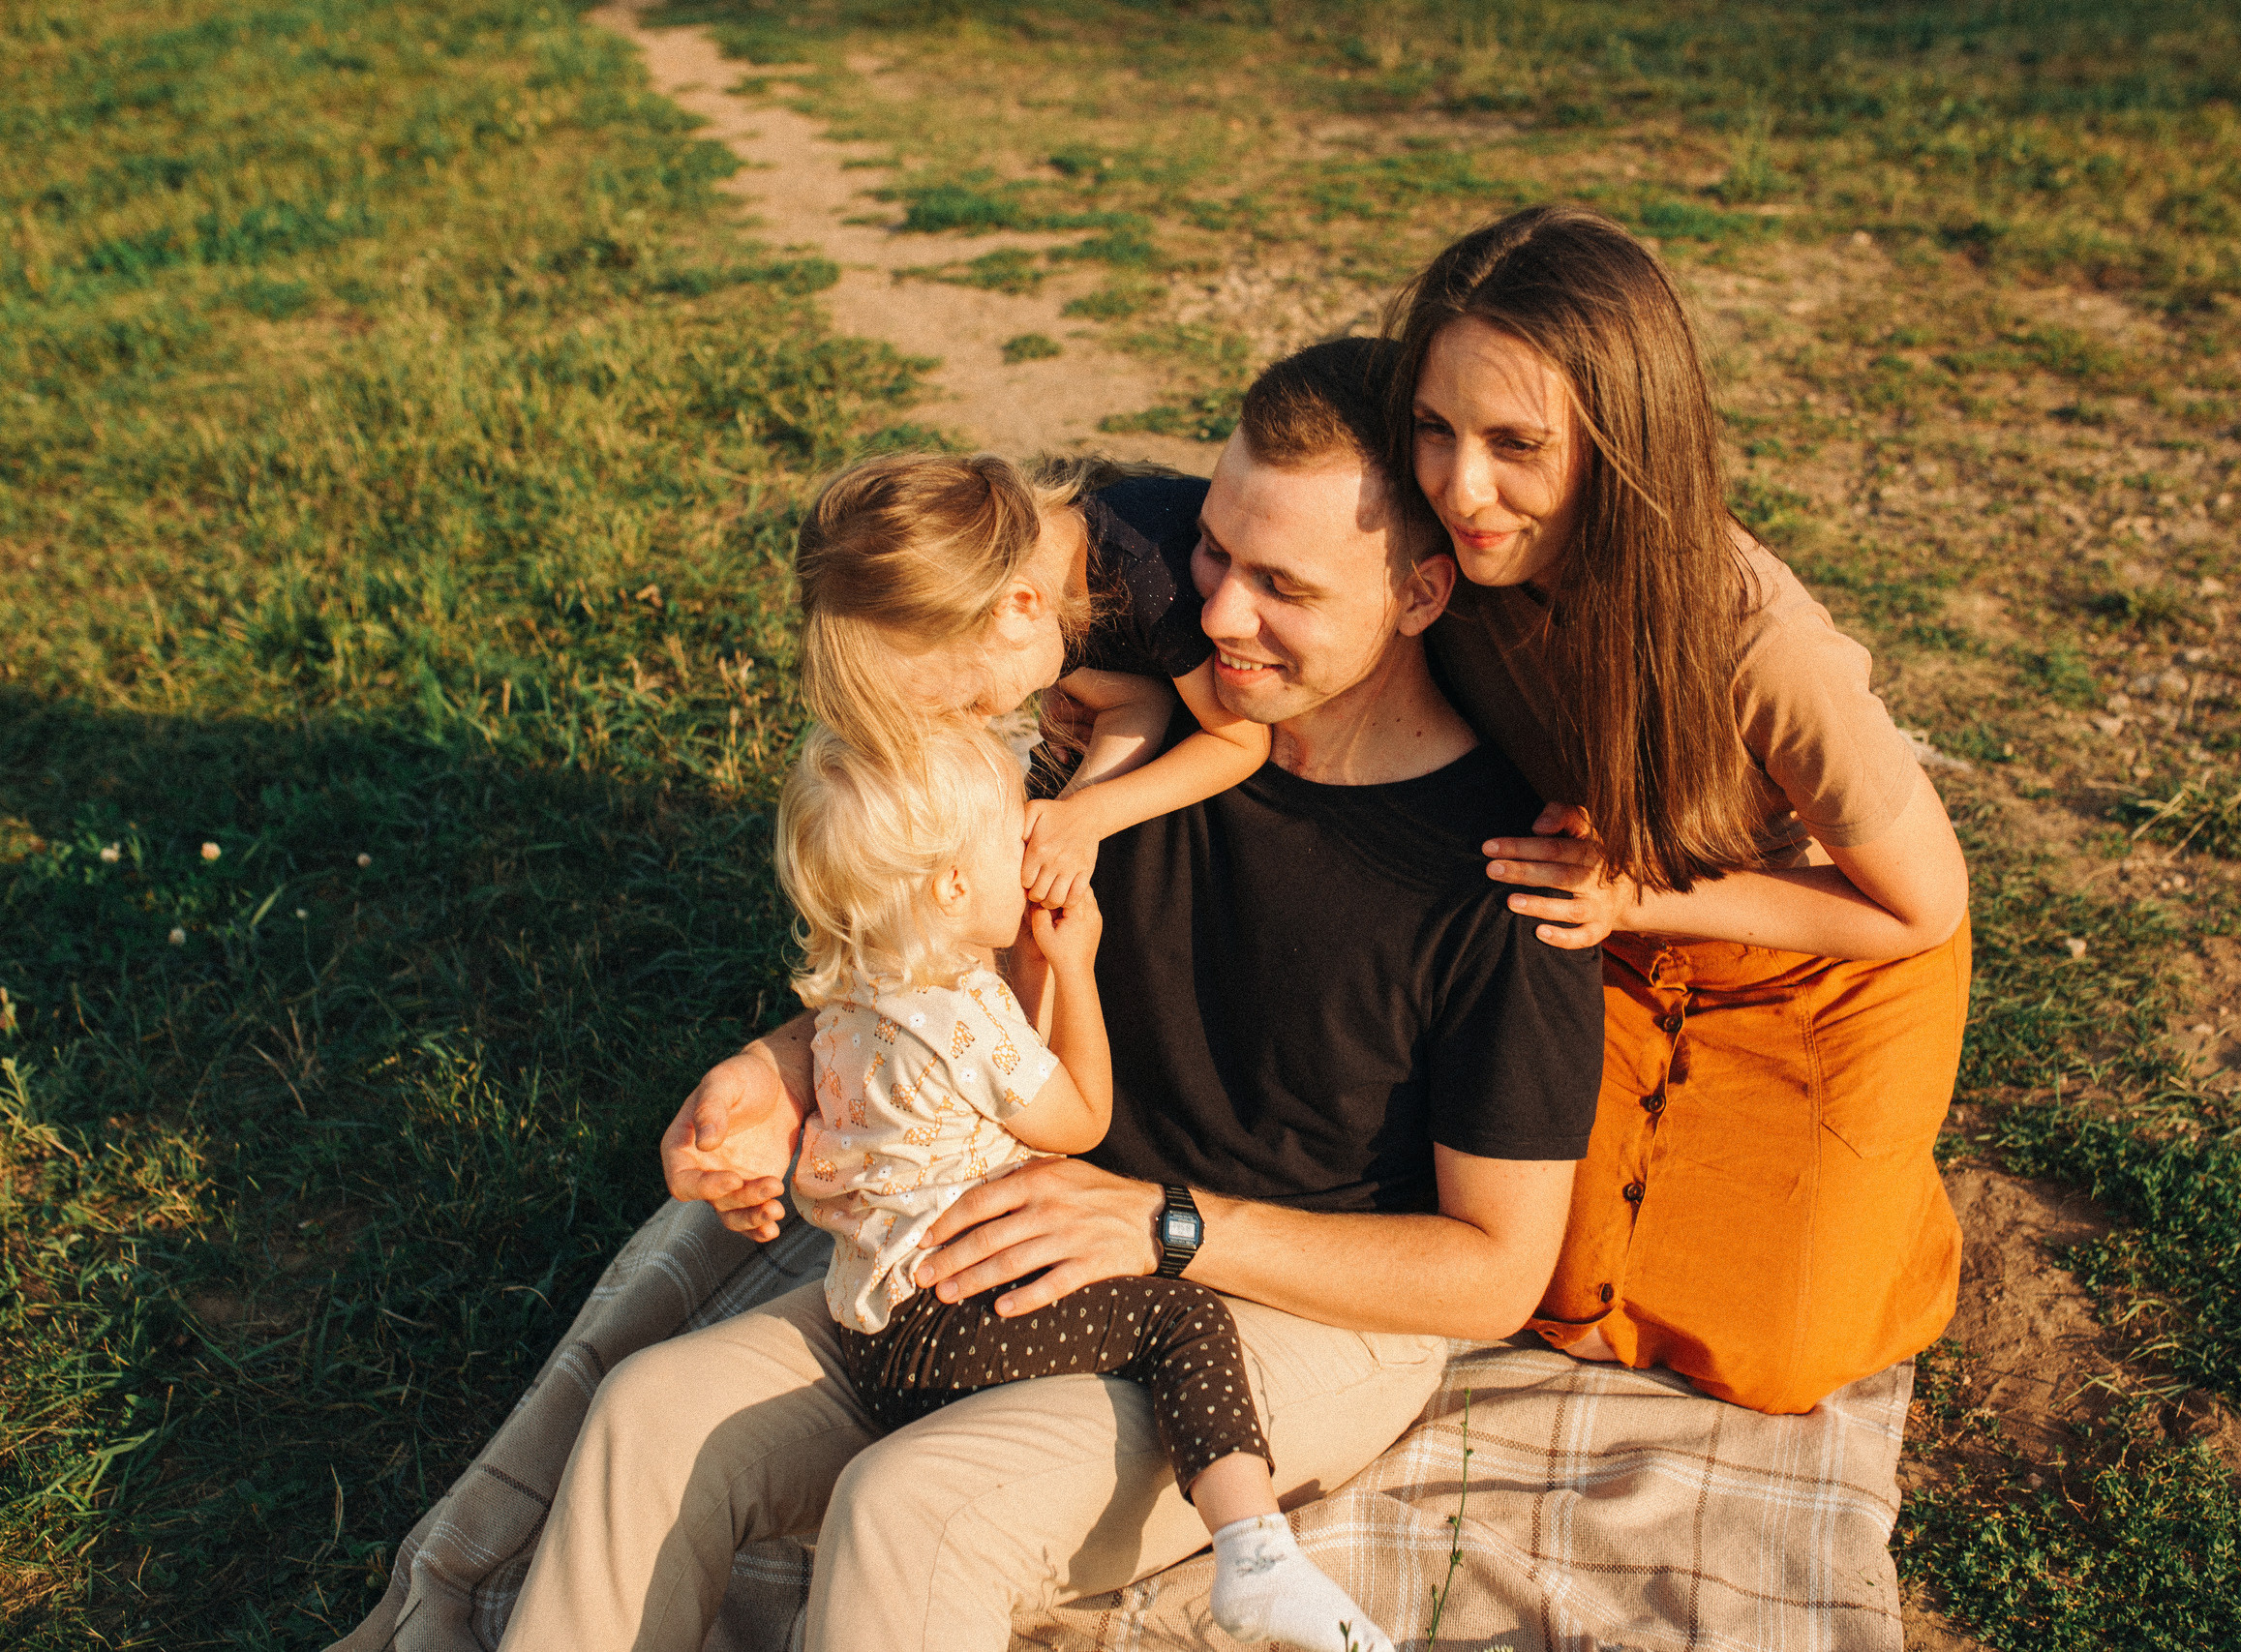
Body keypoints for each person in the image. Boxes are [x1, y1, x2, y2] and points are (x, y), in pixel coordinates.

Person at [497, 338, 1606, 1652]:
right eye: (1214, 554)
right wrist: (774, 1070)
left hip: (1280, 1308)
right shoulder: (1106, 756)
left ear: (1421, 592)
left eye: (1284, 586)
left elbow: (1493, 1275)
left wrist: (1167, 1225)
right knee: (648, 1413)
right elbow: (939, 972)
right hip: (1015, 1231)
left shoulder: (1507, 876)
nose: (1222, 616)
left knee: (912, 1507)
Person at [1386, 203, 1974, 1415]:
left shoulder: (1759, 644)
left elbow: (1922, 908)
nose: (1460, 485)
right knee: (1551, 1286)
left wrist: (1634, 893)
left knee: (1781, 1351)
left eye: (1515, 443)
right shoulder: (1438, 550)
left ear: (1624, 439)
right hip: (1603, 933)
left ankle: (1877, 1191)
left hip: (1816, 956)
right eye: (1434, 428)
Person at [765, 717, 1390, 1652]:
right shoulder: (965, 1014)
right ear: (953, 885)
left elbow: (1006, 1092)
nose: (1029, 846)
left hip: (872, 1337)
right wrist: (1074, 967)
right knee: (1180, 1318)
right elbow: (1081, 1117)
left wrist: (1026, 972)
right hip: (951, 1324)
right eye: (1010, 833)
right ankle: (1256, 1554)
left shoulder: (855, 995)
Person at [797, 451, 1271, 908]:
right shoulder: (1040, 586)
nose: (980, 724)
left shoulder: (1149, 580)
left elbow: (1240, 742)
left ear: (1019, 607)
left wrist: (1091, 815)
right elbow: (1138, 700)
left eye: (972, 703)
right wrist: (1071, 808)